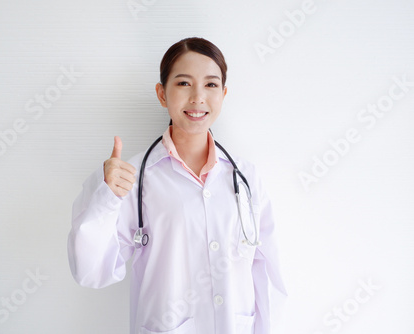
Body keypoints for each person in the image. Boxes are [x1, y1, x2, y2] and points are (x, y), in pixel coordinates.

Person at [67, 37, 287, 334]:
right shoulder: (133, 178)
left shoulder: (246, 178)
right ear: (162, 93)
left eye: (210, 85)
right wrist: (106, 196)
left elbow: (267, 272)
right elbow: (92, 272)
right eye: (184, 83)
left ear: (223, 94)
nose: (198, 97)